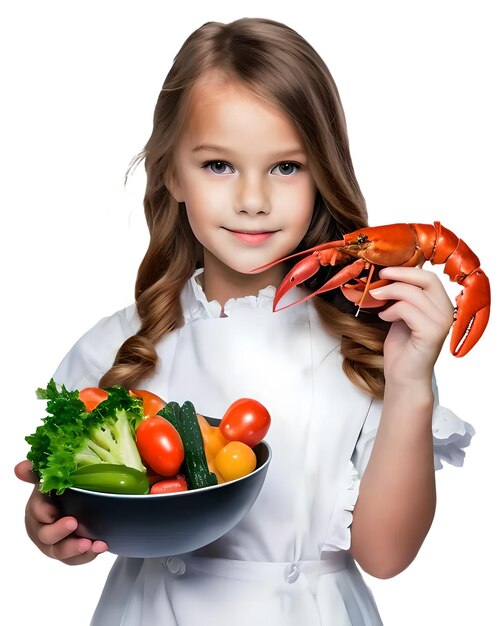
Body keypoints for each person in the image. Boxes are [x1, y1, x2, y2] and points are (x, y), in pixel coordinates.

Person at [15, 17, 474, 626]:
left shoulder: (373, 348)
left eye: (286, 167)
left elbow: (385, 557)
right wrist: (51, 528)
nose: (253, 198)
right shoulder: (116, 346)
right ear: (171, 175)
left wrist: (413, 381)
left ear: (322, 175)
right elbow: (77, 504)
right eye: (218, 166)